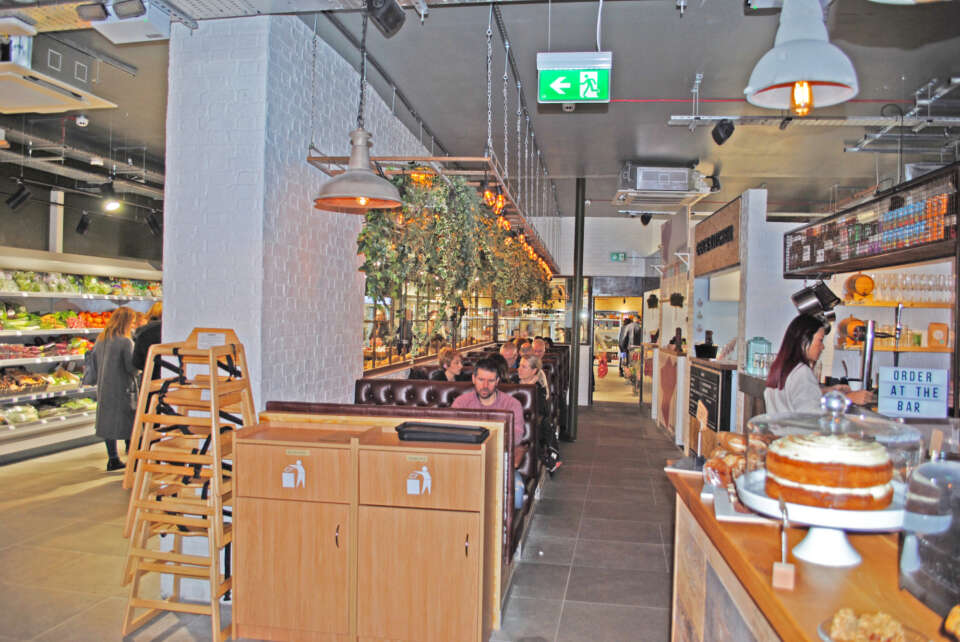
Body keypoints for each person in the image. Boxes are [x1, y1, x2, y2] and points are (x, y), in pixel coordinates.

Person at [452, 357, 527, 508]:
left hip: (498, 463)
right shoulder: (461, 403)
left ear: (497, 381)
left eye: (491, 381)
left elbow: (517, 436)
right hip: (467, 463)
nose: (485, 386)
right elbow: (452, 433)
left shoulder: (512, 404)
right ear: (473, 379)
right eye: (481, 380)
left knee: (515, 493)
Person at [765, 314, 875, 414]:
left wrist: (825, 392)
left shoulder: (781, 367)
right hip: (795, 430)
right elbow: (811, 417)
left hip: (781, 429)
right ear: (804, 340)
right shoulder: (802, 372)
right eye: (820, 340)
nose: (823, 347)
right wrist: (849, 398)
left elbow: (795, 396)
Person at [93, 306, 139, 471]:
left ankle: (113, 458)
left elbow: (94, 363)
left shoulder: (101, 340)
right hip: (123, 387)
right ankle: (132, 456)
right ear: (126, 322)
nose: (133, 325)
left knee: (107, 422)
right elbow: (131, 367)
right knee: (129, 421)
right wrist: (141, 369)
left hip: (104, 387)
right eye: (132, 322)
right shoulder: (126, 342)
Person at [132, 301, 162, 380]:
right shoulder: (170, 330)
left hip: (149, 378)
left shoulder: (142, 330)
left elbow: (137, 362)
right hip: (168, 376)